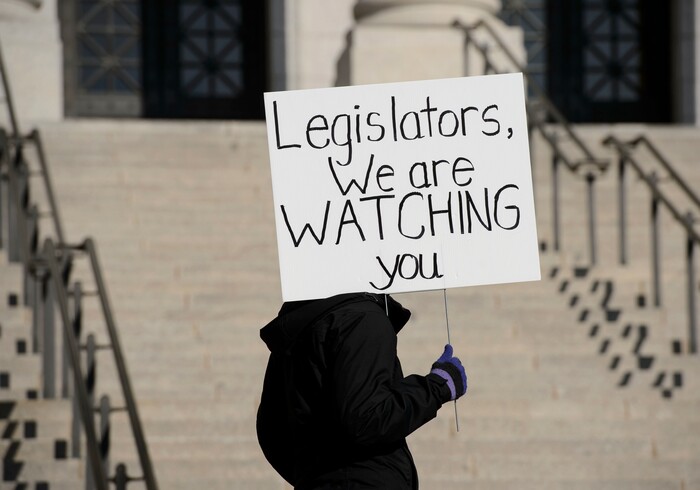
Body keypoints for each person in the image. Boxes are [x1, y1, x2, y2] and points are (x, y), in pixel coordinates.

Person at [256, 292, 467, 489]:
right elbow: (366, 417)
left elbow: (272, 432)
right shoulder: (361, 318)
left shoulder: (303, 321)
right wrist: (438, 386)